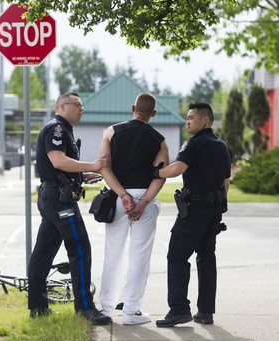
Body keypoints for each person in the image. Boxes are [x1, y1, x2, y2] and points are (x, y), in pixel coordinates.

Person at [28, 92, 112, 325]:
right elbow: (57, 160)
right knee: (80, 249)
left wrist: (85, 174)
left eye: (82, 105)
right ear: (62, 107)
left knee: (43, 253)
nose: (81, 108)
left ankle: (38, 308)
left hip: (53, 196)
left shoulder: (64, 130)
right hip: (59, 200)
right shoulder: (57, 129)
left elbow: (60, 169)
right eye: (77, 104)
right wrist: (93, 164)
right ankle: (85, 309)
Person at [155, 102, 232, 327]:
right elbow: (225, 182)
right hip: (214, 211)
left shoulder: (194, 144)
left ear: (205, 121)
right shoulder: (222, 146)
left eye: (191, 118)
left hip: (195, 210)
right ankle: (205, 312)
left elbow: (177, 168)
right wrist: (215, 205)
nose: (187, 121)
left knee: (177, 256)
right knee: (206, 258)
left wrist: (155, 172)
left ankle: (179, 310)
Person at [97, 92, 169, 325]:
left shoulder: (111, 131)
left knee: (113, 253)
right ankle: (131, 310)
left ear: (132, 108)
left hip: (119, 199)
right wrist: (143, 202)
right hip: (145, 200)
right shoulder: (159, 139)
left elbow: (103, 168)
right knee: (140, 255)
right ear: (153, 113)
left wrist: (123, 195)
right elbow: (160, 176)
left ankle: (106, 308)